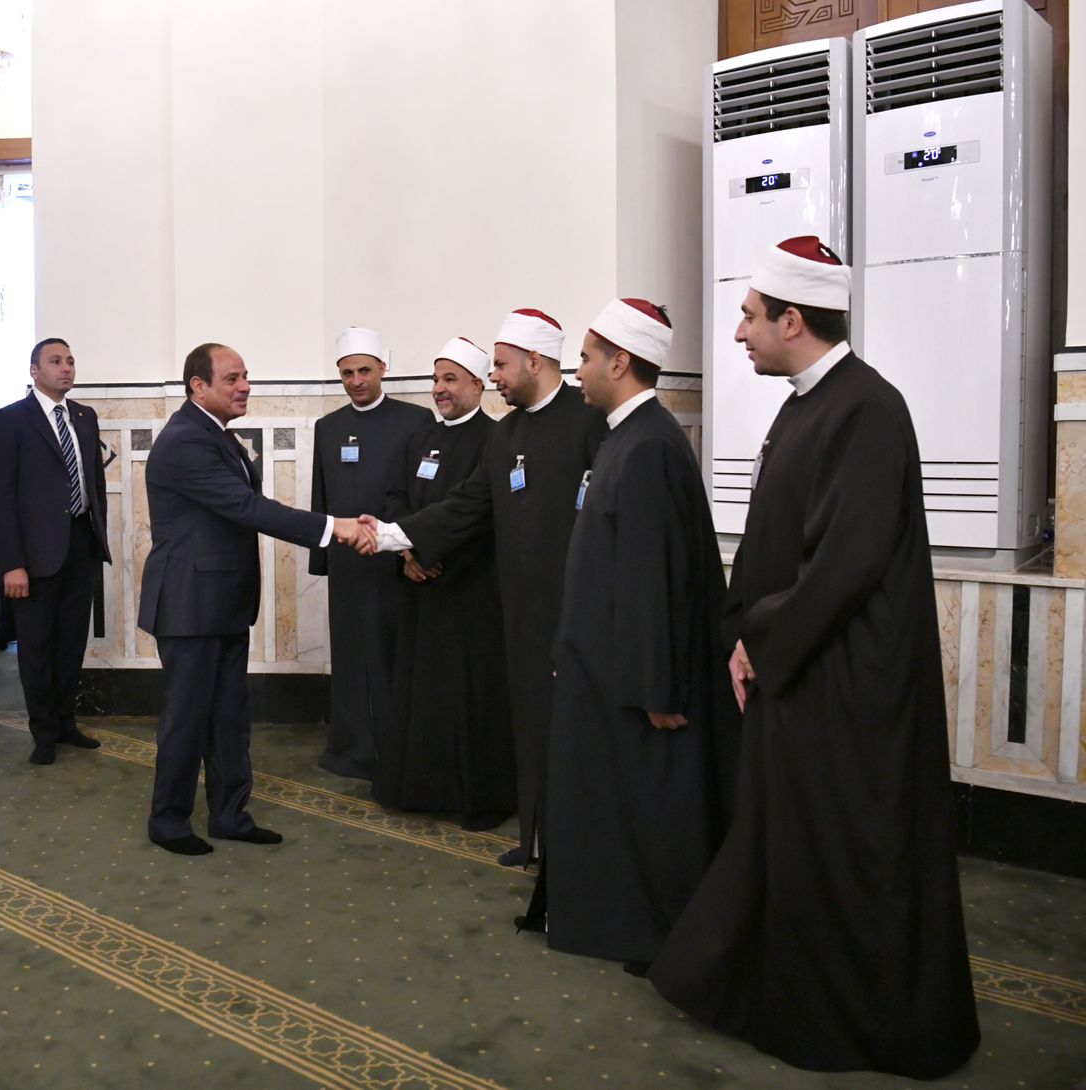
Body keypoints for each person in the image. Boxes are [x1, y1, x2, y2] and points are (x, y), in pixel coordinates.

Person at [649, 237, 980, 1079]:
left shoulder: (866, 409)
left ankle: (847, 1022)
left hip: (846, 685)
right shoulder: (807, 405)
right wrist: (746, 636)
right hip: (798, 672)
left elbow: (845, 563)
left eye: (750, 317)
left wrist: (760, 641)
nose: (738, 334)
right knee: (787, 846)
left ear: (793, 320)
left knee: (845, 855)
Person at [516, 298, 739, 971]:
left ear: (620, 362)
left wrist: (655, 688)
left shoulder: (648, 446)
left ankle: (656, 938)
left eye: (586, 358)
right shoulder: (624, 437)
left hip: (634, 683)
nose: (577, 371)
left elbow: (655, 579)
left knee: (653, 811)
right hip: (602, 667)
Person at [362, 309, 607, 866]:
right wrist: (394, 537)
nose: (494, 375)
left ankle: (577, 851)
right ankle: (538, 839)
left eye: (499, 365)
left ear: (534, 361)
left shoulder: (589, 420)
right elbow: (466, 506)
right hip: (520, 609)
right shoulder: (510, 433)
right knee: (529, 725)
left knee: (573, 730)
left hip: (577, 607)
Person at [140, 343, 372, 856]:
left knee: (228, 716)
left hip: (221, 601)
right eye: (232, 378)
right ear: (198, 386)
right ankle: (169, 821)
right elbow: (246, 506)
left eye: (246, 376)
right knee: (187, 718)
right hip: (189, 605)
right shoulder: (185, 439)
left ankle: (229, 815)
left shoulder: (216, 434)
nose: (245, 386)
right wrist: (333, 527)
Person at [374, 337, 514, 828]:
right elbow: (394, 498)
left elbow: (483, 515)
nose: (439, 389)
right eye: (436, 379)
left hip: (468, 589)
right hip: (418, 587)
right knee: (421, 693)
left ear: (478, 384)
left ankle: (476, 798)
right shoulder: (419, 439)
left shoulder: (496, 438)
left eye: (450, 379)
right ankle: (418, 790)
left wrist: (431, 555)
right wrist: (408, 553)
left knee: (468, 698)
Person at [309, 327, 432, 779]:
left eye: (364, 370)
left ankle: (396, 751)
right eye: (347, 373)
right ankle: (351, 748)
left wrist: (416, 550)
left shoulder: (416, 421)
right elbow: (321, 497)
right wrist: (322, 557)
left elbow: (423, 494)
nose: (356, 381)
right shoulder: (327, 428)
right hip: (346, 564)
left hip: (395, 561)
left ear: (383, 368)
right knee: (349, 654)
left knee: (393, 654)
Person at [0, 338, 112, 764]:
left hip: (80, 544)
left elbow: (94, 483)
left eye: (70, 361)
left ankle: (65, 721)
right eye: (55, 361)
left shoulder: (84, 417)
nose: (66, 368)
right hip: (34, 553)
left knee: (71, 642)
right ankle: (42, 732)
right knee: (37, 646)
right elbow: (0, 498)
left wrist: (98, 537)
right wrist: (12, 564)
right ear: (34, 371)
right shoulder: (10, 421)